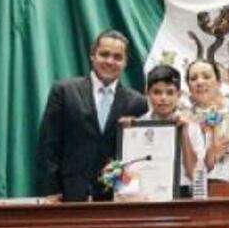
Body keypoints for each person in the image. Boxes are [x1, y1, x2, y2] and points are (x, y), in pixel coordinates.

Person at [36, 29, 148, 201]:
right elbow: (48, 144)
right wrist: (51, 191)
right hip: (69, 194)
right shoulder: (65, 92)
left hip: (118, 198)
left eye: (118, 57)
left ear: (126, 62)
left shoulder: (138, 102)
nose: (110, 61)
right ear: (92, 56)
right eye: (104, 54)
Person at [129, 65, 205, 195]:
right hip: (146, 194)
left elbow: (194, 173)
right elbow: (131, 169)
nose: (163, 98)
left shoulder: (191, 126)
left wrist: (184, 132)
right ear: (147, 93)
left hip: (181, 193)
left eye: (170, 92)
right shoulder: (137, 126)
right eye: (157, 92)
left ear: (179, 94)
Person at [185, 58, 229, 182]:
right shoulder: (185, 121)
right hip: (199, 190)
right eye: (193, 79)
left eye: (206, 76)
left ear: (219, 82)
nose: (200, 82)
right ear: (188, 87)